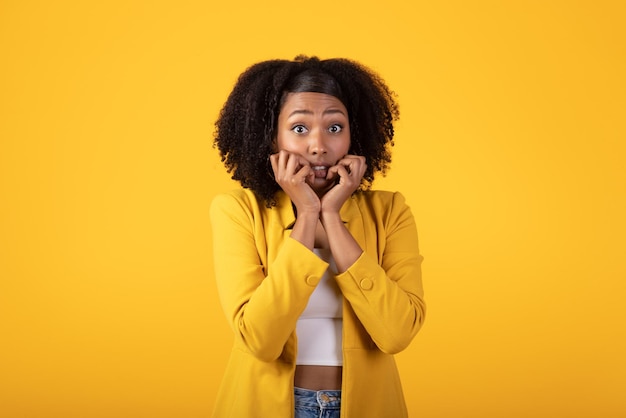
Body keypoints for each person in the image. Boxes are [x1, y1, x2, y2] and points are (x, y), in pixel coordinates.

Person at [210, 55, 426, 418]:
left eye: (335, 127)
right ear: (271, 137)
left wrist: (332, 216)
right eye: (299, 129)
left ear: (355, 134)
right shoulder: (238, 210)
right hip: (264, 405)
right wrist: (308, 215)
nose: (318, 145)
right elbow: (259, 340)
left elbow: (396, 333)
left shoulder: (391, 211)